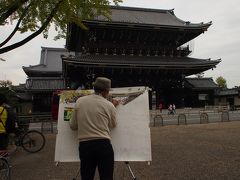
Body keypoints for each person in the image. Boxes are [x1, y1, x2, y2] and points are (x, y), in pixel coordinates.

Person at [69, 77, 119, 180]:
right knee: (106, 177)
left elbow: (73, 126)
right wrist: (113, 107)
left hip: (85, 146)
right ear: (106, 91)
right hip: (103, 145)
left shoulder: (80, 102)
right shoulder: (109, 105)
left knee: (87, 177)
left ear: (94, 88)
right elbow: (113, 124)